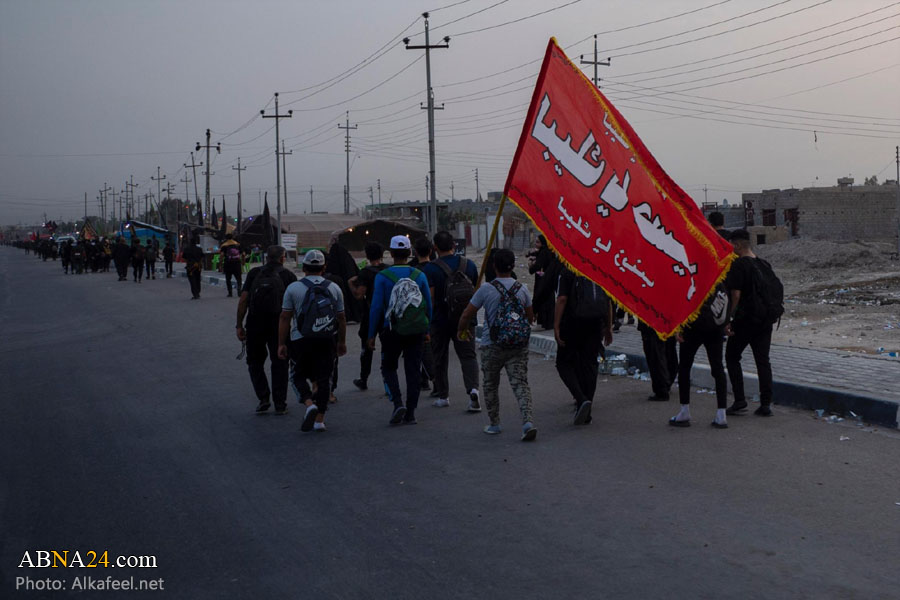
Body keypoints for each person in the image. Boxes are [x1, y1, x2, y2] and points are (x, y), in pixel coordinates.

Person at [457, 249, 537, 441]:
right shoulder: (522, 289)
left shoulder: (486, 289)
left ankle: (494, 424)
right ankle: (527, 422)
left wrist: (462, 330)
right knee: (520, 384)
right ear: (513, 266)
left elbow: (467, 313)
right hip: (517, 345)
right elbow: (530, 317)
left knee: (490, 384)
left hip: (491, 345)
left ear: (494, 266)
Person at [278, 250, 347, 432]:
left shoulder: (293, 288)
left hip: (300, 339)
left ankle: (309, 403)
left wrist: (281, 343)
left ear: (304, 267)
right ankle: (320, 420)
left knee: (297, 376)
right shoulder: (334, 288)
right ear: (324, 268)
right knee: (324, 378)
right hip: (327, 338)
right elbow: (341, 318)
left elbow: (285, 317)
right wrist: (341, 342)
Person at [367, 235, 433, 425]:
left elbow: (376, 308)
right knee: (413, 370)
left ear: (391, 253)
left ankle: (397, 403)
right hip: (416, 330)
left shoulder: (382, 277)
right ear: (410, 252)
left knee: (389, 368)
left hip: (391, 330)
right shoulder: (419, 275)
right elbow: (428, 306)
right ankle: (411, 413)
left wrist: (371, 335)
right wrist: (427, 329)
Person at [420, 231, 480, 412]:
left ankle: (443, 396)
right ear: (454, 245)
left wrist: (427, 321)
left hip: (440, 320)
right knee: (468, 356)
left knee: (440, 357)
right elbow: (475, 292)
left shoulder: (430, 269)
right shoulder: (469, 265)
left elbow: (430, 298)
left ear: (434, 248)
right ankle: (473, 391)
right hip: (465, 319)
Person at [237, 245, 297, 415]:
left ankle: (263, 397)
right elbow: (296, 304)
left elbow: (243, 300)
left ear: (266, 258)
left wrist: (239, 325)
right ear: (282, 258)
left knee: (254, 362)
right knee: (280, 362)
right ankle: (280, 403)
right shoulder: (288, 276)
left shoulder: (254, 274)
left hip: (254, 323)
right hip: (279, 326)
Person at [724, 228, 778, 418]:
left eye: (731, 245)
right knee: (763, 360)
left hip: (746, 320)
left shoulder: (739, 265)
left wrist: (728, 319)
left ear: (737, 245)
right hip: (765, 319)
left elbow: (736, 295)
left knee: (732, 357)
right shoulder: (764, 264)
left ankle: (740, 400)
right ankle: (765, 404)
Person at [554, 267, 614, 426]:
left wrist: (556, 325)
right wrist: (608, 326)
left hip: (572, 323)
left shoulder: (568, 270)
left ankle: (581, 399)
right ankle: (587, 407)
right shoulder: (599, 268)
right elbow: (608, 300)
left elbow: (562, 299)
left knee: (563, 363)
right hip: (595, 323)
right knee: (590, 365)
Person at [670, 284, 731, 429]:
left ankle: (684, 411)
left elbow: (683, 299)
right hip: (715, 329)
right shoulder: (718, 277)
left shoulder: (693, 277)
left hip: (693, 327)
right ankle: (721, 414)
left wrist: (678, 326)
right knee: (718, 368)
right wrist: (727, 321)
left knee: (684, 367)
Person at [347, 241, 387, 391]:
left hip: (370, 313)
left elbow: (359, 295)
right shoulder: (388, 269)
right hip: (386, 313)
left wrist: (351, 284)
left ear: (367, 256)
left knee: (366, 347)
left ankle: (364, 379)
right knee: (387, 348)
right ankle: (388, 380)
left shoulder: (365, 272)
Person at [411, 237, 436, 392]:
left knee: (422, 350)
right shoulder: (437, 268)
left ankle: (431, 379)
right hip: (437, 314)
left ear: (415, 252)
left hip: (420, 315)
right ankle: (428, 379)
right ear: (431, 251)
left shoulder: (413, 271)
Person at [639, 321, 678, 402]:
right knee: (668, 353)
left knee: (656, 357)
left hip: (652, 325)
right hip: (667, 323)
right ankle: (666, 383)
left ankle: (662, 389)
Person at [527, 235, 555, 329]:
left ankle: (543, 322)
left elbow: (537, 266)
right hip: (549, 280)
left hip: (542, 281)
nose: (536, 244)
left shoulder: (543, 252)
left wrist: (531, 266)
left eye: (538, 242)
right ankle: (548, 322)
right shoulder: (549, 252)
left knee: (541, 299)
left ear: (543, 243)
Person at [220, 233, 243, 297]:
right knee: (239, 278)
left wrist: (220, 265)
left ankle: (230, 293)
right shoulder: (237, 244)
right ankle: (239, 290)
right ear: (232, 237)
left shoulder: (224, 245)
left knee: (228, 279)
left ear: (226, 238)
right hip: (237, 264)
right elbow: (243, 254)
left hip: (228, 264)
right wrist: (243, 262)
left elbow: (221, 255)